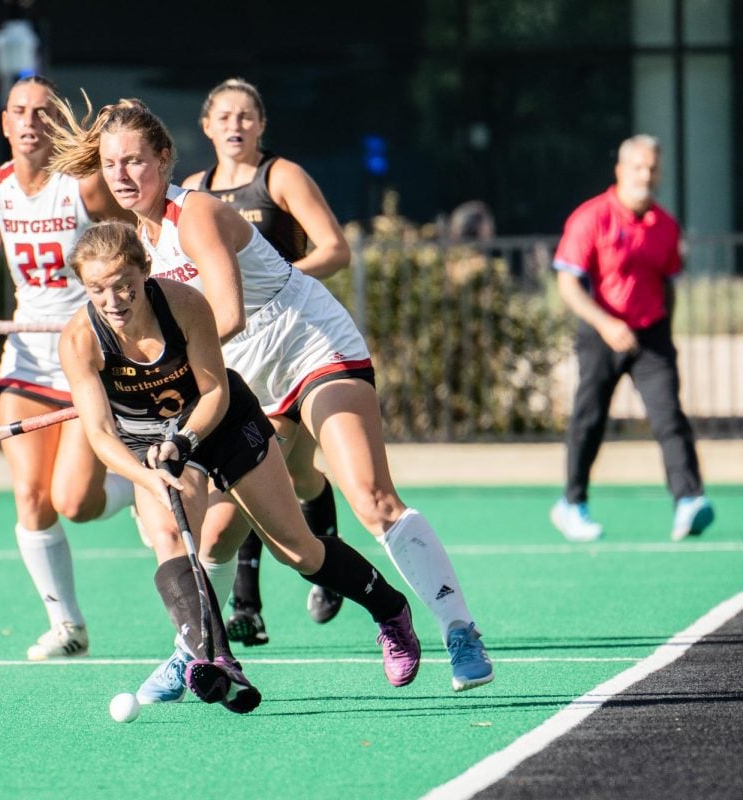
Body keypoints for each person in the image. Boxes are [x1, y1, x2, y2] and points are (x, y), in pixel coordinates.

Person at [46, 95, 494, 696]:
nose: (123, 176)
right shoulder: (134, 248)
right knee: (221, 537)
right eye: (110, 164)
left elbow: (226, 315)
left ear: (165, 158)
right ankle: (198, 650)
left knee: (370, 496)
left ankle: (459, 630)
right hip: (242, 378)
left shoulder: (196, 214)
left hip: (306, 344)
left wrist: (159, 374)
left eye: (135, 161)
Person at [58, 220, 421, 712]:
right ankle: (217, 660)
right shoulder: (81, 340)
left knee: (297, 550)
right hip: (151, 445)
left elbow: (214, 391)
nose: (113, 300)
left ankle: (390, 610)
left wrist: (185, 439)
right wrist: (146, 476)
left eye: (122, 285)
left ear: (145, 270)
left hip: (220, 423)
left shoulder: (184, 305)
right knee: (170, 536)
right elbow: (100, 433)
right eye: (97, 289)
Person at [0, 76, 136, 662]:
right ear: (4, 122)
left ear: (57, 121)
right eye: (19, 111)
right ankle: (66, 625)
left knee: (76, 502)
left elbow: (136, 247)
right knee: (29, 495)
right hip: (26, 357)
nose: (30, 122)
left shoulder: (84, 188)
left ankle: (139, 488)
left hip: (88, 357)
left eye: (42, 112)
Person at [181, 77, 353, 645]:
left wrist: (272, 285)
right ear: (206, 126)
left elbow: (334, 249)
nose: (235, 125)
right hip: (230, 349)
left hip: (287, 343)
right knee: (245, 466)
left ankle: (327, 558)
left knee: (297, 474)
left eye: (246, 116)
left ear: (261, 125)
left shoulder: (279, 176)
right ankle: (246, 608)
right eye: (224, 116)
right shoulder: (190, 192)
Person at [550, 134, 715, 543]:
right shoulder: (591, 217)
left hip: (651, 333)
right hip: (601, 330)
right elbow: (568, 284)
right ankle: (572, 504)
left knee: (669, 417)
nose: (647, 175)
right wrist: (605, 324)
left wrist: (665, 332)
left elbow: (669, 284)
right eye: (638, 167)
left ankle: (689, 502)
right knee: (589, 420)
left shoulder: (665, 225)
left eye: (653, 167)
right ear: (621, 171)